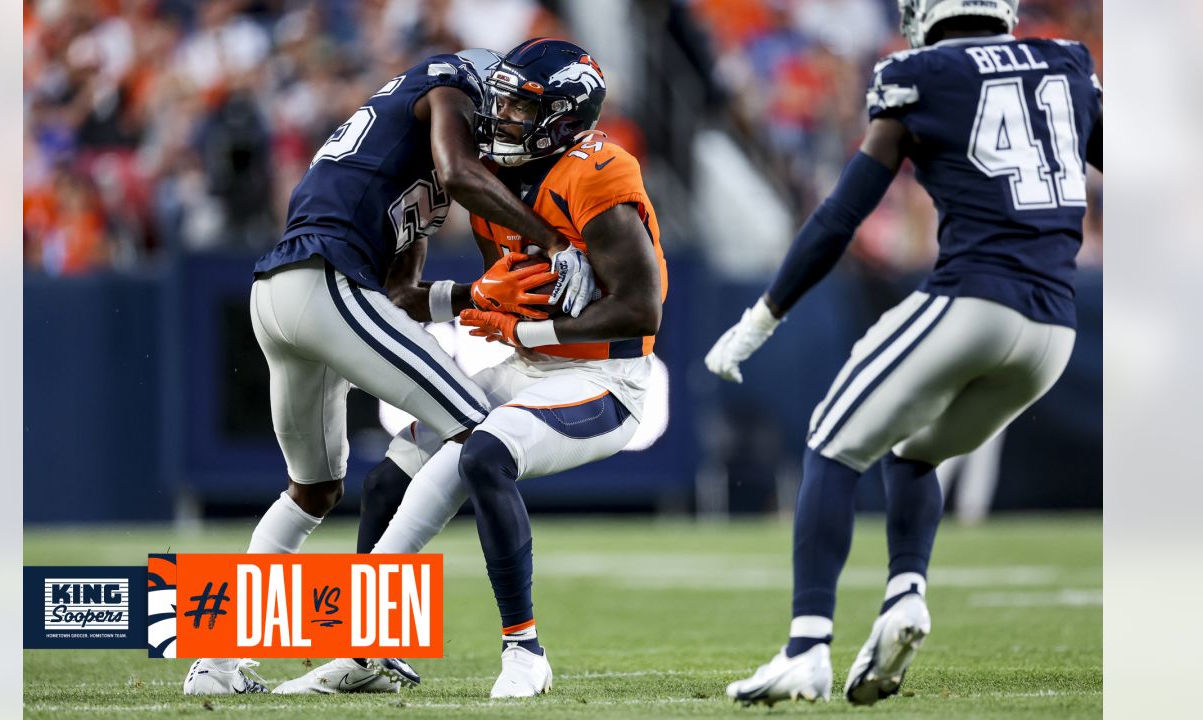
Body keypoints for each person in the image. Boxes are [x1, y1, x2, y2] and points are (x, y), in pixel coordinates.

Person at [704, 0, 1101, 706]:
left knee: (830, 441)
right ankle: (906, 593)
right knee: (914, 450)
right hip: (1055, 330)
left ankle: (806, 650)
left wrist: (762, 317)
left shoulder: (917, 72)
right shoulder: (1067, 63)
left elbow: (840, 215)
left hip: (972, 300)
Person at [183, 47, 597, 696]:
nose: (508, 116)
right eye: (505, 100)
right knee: (481, 434)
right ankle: (506, 646)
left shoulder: (414, 164)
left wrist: (478, 299)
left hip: (282, 294)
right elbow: (460, 172)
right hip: (323, 280)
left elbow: (403, 294)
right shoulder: (447, 85)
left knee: (314, 490)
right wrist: (552, 242)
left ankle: (216, 664)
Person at [272, 38, 668, 699]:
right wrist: (478, 304)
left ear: (565, 118)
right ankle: (375, 656)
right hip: (530, 363)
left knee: (483, 453)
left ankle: (524, 650)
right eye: (502, 101)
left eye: (520, 108)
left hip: (605, 380)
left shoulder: (597, 170)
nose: (500, 117)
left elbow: (640, 310)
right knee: (391, 476)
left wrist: (522, 325)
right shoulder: (495, 175)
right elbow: (489, 292)